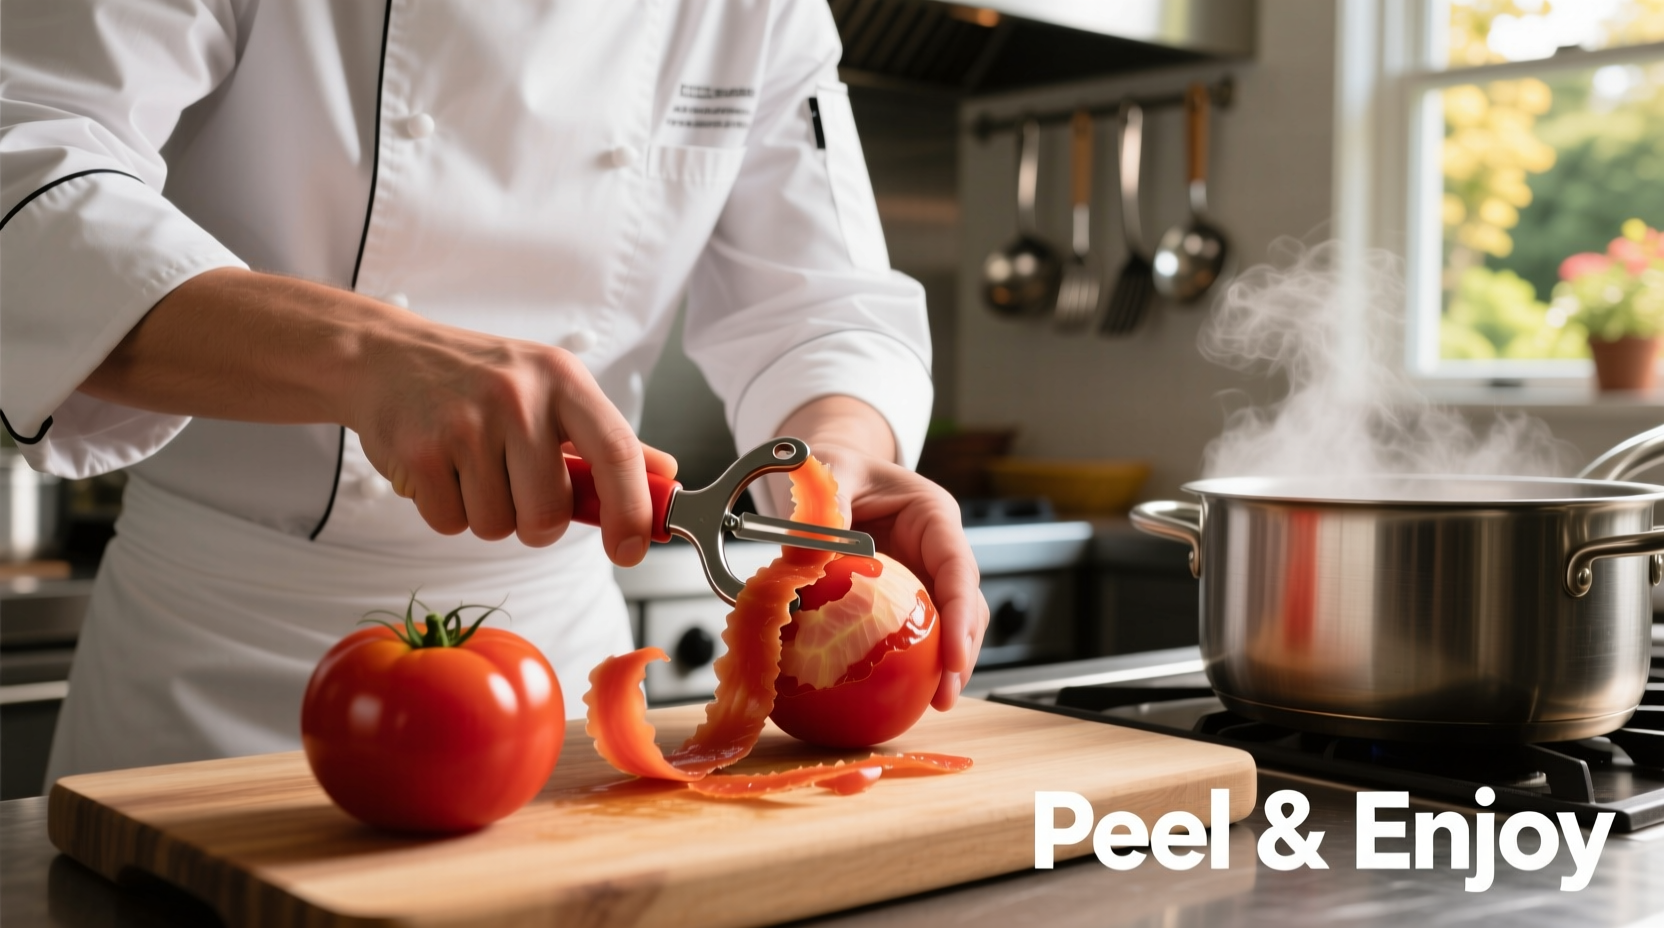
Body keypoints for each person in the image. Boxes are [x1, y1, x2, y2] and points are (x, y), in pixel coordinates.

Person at [1, 1, 988, 782]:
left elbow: (824, 307)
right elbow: (27, 177)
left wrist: (835, 466)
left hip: (549, 680)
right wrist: (365, 355)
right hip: (209, 659)